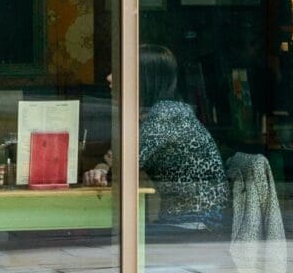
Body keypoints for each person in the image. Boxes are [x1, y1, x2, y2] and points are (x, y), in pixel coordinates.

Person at [88, 47, 226, 230]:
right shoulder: (156, 114)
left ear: (143, 79)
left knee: (110, 236)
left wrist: (105, 169)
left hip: (196, 224)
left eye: (120, 71)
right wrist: (103, 168)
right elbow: (115, 160)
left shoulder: (165, 116)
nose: (109, 77)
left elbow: (122, 169)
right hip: (183, 220)